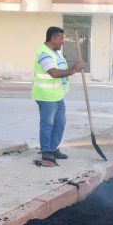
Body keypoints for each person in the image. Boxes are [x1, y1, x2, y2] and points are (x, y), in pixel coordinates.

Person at [32, 26, 84, 166]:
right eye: (61, 38)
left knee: (60, 123)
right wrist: (73, 70)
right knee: (47, 124)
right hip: (46, 96)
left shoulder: (55, 53)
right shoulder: (44, 54)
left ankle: (53, 148)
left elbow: (61, 70)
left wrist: (74, 68)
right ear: (53, 38)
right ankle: (46, 152)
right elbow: (54, 73)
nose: (63, 41)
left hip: (57, 96)